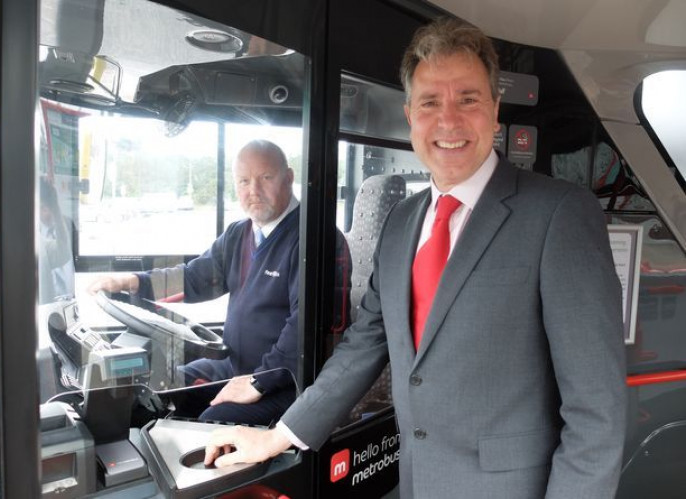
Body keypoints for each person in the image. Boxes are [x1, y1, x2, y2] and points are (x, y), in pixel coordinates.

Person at [205, 18, 627, 499]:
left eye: (467, 99)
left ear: (494, 111)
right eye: (430, 103)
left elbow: (597, 412)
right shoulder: (402, 222)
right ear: (410, 116)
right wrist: (279, 435)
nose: (448, 121)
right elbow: (363, 346)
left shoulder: (559, 215)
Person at [89, 139, 347, 426]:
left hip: (289, 381)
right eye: (244, 181)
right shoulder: (238, 234)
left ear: (288, 178)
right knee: (159, 391)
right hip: (235, 366)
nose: (254, 191)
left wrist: (257, 382)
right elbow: (194, 278)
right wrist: (135, 281)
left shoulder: (314, 238)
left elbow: (305, 329)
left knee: (213, 422)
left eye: (266, 178)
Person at [38, 176, 75, 304]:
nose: (46, 212)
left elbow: (65, 253)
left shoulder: (67, 226)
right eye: (41, 207)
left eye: (48, 207)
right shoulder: (32, 236)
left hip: (69, 303)